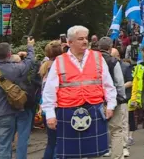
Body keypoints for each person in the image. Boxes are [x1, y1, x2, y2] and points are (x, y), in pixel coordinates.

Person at [42, 25, 117, 158]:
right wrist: (50, 114)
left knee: (95, 154)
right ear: (70, 42)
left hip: (94, 108)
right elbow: (49, 91)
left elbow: (108, 84)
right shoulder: (59, 61)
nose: (85, 41)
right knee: (70, 156)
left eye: (86, 38)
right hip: (67, 110)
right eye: (80, 39)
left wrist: (111, 105)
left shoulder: (97, 57)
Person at [0, 38, 35, 158]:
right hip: (6, 113)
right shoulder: (15, 69)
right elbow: (29, 62)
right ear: (9, 54)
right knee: (4, 146)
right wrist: (30, 47)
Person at [98, 37, 127, 159]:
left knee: (97, 129)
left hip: (95, 100)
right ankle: (117, 156)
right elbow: (119, 82)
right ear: (110, 48)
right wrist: (122, 97)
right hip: (112, 99)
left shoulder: (91, 60)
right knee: (116, 130)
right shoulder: (113, 61)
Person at [39, 40, 64, 159]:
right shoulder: (60, 67)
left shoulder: (44, 66)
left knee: (51, 142)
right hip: (56, 108)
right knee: (60, 142)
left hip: (45, 109)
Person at [112, 48, 134, 150]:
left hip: (123, 99)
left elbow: (131, 81)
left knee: (124, 122)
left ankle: (124, 145)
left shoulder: (126, 66)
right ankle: (113, 146)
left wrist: (119, 87)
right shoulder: (107, 65)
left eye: (113, 56)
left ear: (118, 56)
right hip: (111, 99)